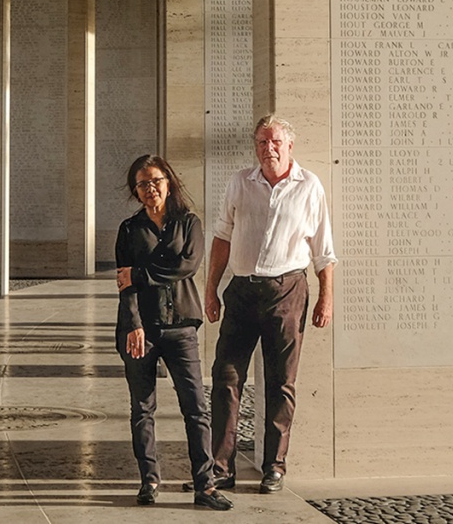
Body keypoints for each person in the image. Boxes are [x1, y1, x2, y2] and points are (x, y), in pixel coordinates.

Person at [204, 115, 337, 494]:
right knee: (226, 377)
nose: (269, 149)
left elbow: (323, 251)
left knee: (281, 383)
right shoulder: (240, 183)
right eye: (262, 142)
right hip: (242, 291)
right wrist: (211, 289)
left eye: (276, 142)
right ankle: (220, 467)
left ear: (289, 145)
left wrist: (325, 298)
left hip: (287, 292)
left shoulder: (309, 186)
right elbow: (222, 236)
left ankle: (274, 467)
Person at [115, 154, 233, 511]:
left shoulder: (188, 223)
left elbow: (187, 265)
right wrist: (133, 324)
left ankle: (205, 485)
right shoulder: (129, 229)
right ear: (136, 191)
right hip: (141, 330)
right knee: (142, 408)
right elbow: (124, 285)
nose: (150, 188)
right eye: (142, 184)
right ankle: (149, 480)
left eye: (156, 180)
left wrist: (140, 273)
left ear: (169, 182)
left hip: (181, 326)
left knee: (195, 408)